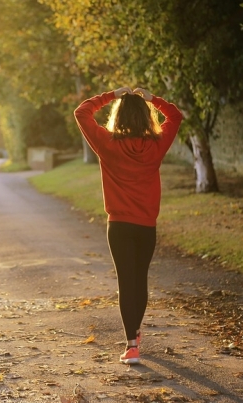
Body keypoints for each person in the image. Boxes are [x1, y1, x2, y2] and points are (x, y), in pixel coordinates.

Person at [74, 87, 183, 364]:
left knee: (126, 282)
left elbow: (81, 112)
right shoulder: (157, 145)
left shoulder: (107, 143)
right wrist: (152, 99)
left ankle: (132, 344)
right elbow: (176, 115)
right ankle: (134, 333)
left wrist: (111, 95)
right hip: (146, 226)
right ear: (146, 118)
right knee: (140, 280)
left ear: (118, 116)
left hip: (119, 226)